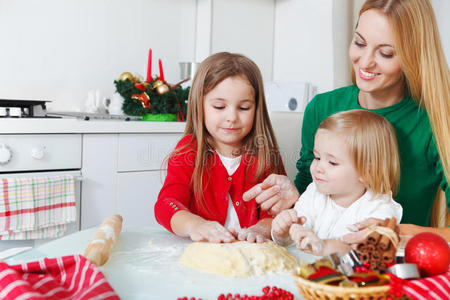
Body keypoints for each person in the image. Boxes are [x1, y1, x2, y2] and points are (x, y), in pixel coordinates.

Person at [244, 0, 449, 237]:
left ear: (414, 56)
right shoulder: (322, 108)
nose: (365, 61)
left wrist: (396, 232)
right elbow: (309, 198)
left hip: (393, 265)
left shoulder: (436, 122)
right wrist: (291, 201)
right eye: (359, 42)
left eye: (386, 53)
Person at [154, 52, 285, 243]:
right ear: (200, 105)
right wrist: (195, 225)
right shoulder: (189, 151)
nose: (232, 117)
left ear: (256, 108)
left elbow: (277, 214)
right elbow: (166, 205)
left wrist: (260, 230)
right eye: (219, 107)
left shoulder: (266, 155)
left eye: (244, 108)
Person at [271, 110, 403, 256]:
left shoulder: (379, 208)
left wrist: (324, 246)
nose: (318, 168)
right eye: (317, 157)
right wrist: (283, 233)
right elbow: (295, 237)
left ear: (366, 172)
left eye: (332, 162)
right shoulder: (314, 193)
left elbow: (361, 252)